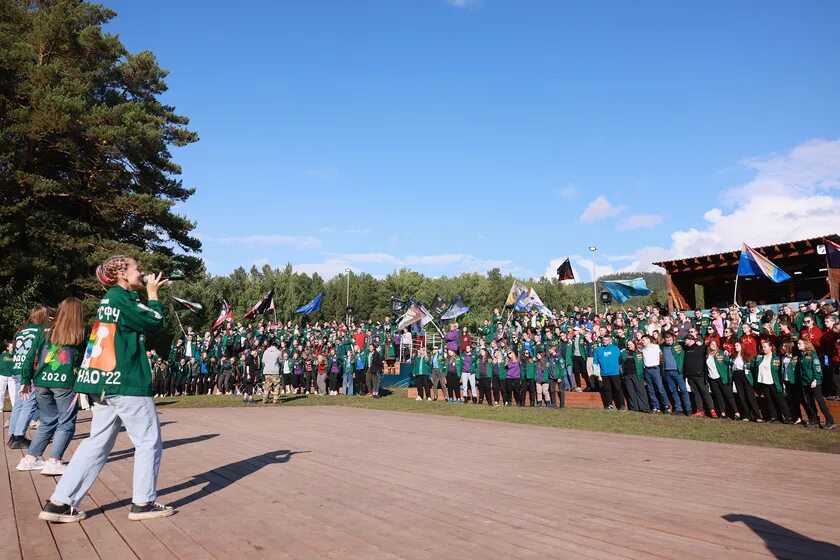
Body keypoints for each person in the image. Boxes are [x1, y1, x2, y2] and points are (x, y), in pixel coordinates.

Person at [39, 256, 173, 523]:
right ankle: (143, 503)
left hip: (103, 383)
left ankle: (60, 502)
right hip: (125, 382)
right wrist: (153, 295)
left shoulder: (111, 299)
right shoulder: (123, 299)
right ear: (122, 274)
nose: (142, 272)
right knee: (148, 441)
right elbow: (155, 321)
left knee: (96, 443)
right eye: (137, 269)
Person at [16, 298, 85, 475]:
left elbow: (31, 356)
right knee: (66, 422)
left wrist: (25, 380)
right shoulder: (79, 333)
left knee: (47, 420)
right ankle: (54, 461)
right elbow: (83, 359)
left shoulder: (45, 330)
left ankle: (31, 458)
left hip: (41, 381)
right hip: (64, 382)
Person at [7, 306, 50, 449]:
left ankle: (13, 435)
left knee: (19, 404)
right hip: (29, 369)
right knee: (29, 403)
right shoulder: (41, 330)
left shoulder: (21, 331)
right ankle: (19, 436)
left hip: (16, 367)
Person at [797, 339, 834, 429]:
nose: (798, 345)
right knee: (810, 402)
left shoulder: (812, 355)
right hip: (805, 382)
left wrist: (816, 380)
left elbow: (817, 369)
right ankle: (814, 420)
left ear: (806, 344)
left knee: (820, 401)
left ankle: (830, 420)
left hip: (814, 382)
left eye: (799, 343)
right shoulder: (802, 355)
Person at [752, 339, 791, 424]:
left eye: (765, 347)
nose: (763, 349)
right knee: (769, 400)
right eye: (762, 347)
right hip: (763, 382)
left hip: (774, 382)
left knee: (779, 399)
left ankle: (788, 417)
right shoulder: (760, 357)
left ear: (770, 347)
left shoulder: (777, 357)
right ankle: (773, 416)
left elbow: (780, 370)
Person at [730, 341, 760, 422]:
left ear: (742, 346)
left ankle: (757, 416)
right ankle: (747, 415)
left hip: (745, 376)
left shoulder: (748, 356)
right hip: (737, 375)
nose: (735, 347)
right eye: (735, 345)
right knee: (741, 396)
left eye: (737, 345)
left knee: (750, 396)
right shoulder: (733, 356)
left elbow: (753, 368)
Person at [640, 335, 669, 413]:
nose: (642, 341)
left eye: (643, 340)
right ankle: (655, 407)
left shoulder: (656, 347)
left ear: (648, 340)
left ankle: (666, 406)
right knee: (650, 389)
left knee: (660, 388)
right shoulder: (642, 349)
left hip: (655, 369)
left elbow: (663, 354)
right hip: (647, 370)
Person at [593, 334, 623, 410]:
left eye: (606, 340)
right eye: (604, 340)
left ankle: (622, 405)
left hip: (615, 373)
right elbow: (595, 361)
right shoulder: (599, 350)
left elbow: (620, 359)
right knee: (607, 390)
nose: (605, 342)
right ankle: (609, 405)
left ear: (610, 340)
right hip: (604, 373)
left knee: (618, 389)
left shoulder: (615, 349)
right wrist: (596, 371)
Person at [619, 340, 648, 412]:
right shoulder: (623, 353)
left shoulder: (640, 352)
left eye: (631, 344)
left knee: (640, 391)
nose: (629, 346)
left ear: (634, 344)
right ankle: (633, 408)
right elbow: (620, 362)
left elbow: (644, 363)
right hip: (627, 375)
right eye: (628, 345)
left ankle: (644, 407)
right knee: (631, 391)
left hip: (637, 374)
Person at [261, 339, 282, 404]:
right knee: (276, 386)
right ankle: (275, 399)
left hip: (267, 371)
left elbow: (263, 361)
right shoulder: (278, 352)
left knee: (267, 386)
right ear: (276, 346)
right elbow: (280, 361)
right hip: (275, 371)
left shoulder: (266, 351)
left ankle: (265, 399)